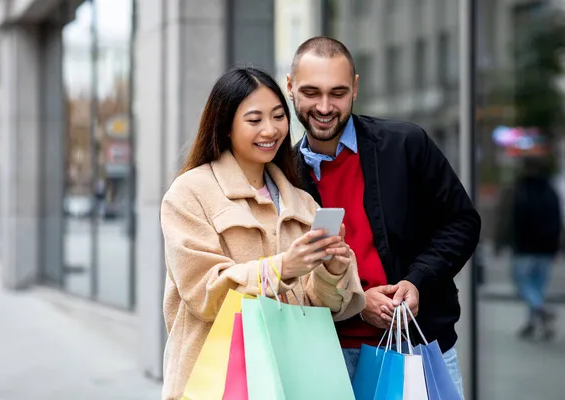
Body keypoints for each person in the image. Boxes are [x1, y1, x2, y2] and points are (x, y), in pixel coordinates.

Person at [287, 36, 481, 398]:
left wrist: (418, 280)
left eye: (338, 92)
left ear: (356, 88)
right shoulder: (282, 175)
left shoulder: (407, 144)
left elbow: (462, 222)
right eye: (311, 92)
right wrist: (358, 302)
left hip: (418, 347)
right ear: (290, 87)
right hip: (324, 356)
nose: (325, 106)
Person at [159, 67, 366, 400]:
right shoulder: (189, 194)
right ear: (225, 126)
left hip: (291, 379)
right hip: (216, 381)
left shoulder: (302, 202)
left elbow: (322, 307)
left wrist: (333, 268)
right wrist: (281, 268)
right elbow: (204, 292)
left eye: (279, 116)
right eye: (254, 120)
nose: (270, 130)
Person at [509, 157, 561, 340]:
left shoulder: (522, 191)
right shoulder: (550, 192)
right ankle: (534, 323)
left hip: (526, 248)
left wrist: (512, 243)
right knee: (537, 287)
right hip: (546, 248)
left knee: (523, 284)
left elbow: (516, 219)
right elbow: (557, 220)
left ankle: (541, 311)